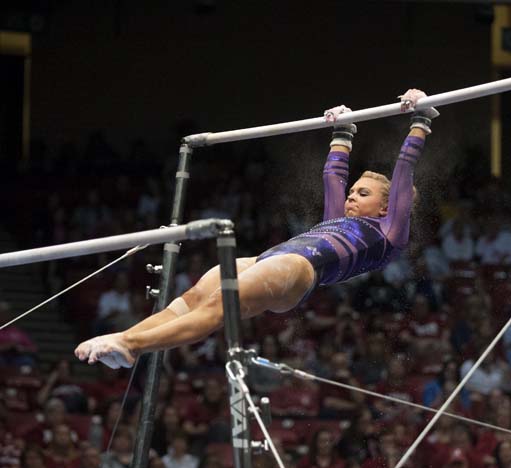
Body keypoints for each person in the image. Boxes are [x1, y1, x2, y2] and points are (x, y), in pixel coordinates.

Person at [74, 89, 439, 369]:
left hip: (298, 270)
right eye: (352, 192)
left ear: (388, 206)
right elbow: (333, 176)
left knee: (220, 305)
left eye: (363, 193)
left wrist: (419, 121)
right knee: (190, 300)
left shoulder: (390, 232)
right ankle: (125, 339)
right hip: (269, 259)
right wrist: (342, 132)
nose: (350, 198)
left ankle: (134, 346)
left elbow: (405, 170)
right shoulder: (336, 220)